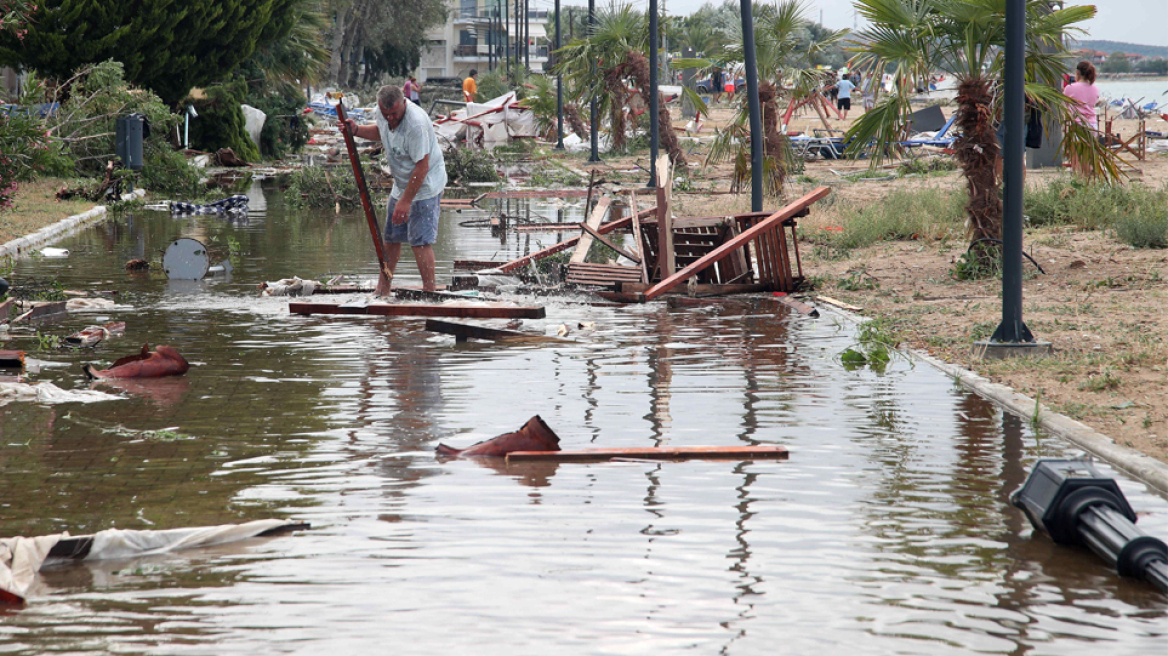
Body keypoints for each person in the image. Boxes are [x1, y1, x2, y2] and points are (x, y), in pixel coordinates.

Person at [339, 85, 447, 294]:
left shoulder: (415, 124)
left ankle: (429, 292)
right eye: (386, 114)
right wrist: (357, 130)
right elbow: (381, 130)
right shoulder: (383, 114)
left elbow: (422, 167)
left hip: (426, 184)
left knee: (419, 241)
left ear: (404, 103)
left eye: (394, 114)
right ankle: (383, 289)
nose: (390, 119)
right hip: (401, 183)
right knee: (391, 238)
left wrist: (406, 202)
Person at [1064, 60, 1100, 177]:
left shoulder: (1070, 88)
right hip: (1092, 124)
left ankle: (1079, 180)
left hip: (1078, 124)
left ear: (1078, 72)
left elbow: (1064, 104)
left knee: (1076, 157)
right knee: (1088, 156)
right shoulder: (1094, 88)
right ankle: (1088, 180)